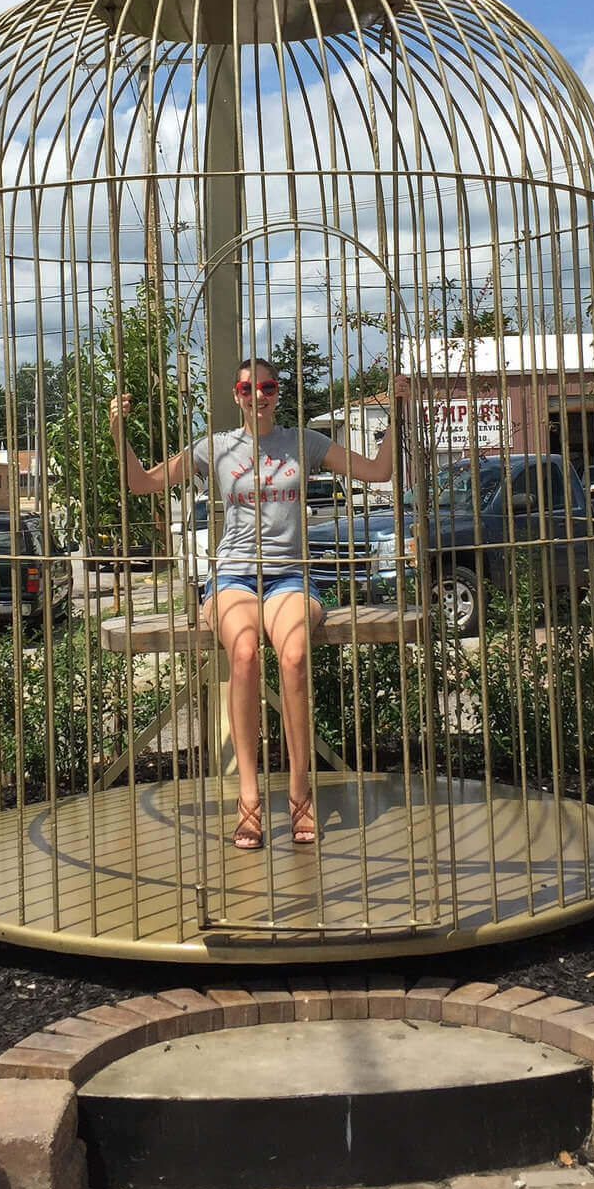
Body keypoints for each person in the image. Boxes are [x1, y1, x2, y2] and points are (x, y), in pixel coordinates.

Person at [110, 357, 396, 850]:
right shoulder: (216, 447)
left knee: (294, 656)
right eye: (247, 387)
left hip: (289, 575)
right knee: (243, 654)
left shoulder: (303, 442)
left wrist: (402, 414)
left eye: (266, 385)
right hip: (234, 577)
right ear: (236, 394)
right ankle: (248, 796)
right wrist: (119, 432)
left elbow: (379, 470)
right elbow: (144, 483)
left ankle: (300, 790)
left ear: (277, 392)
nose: (257, 394)